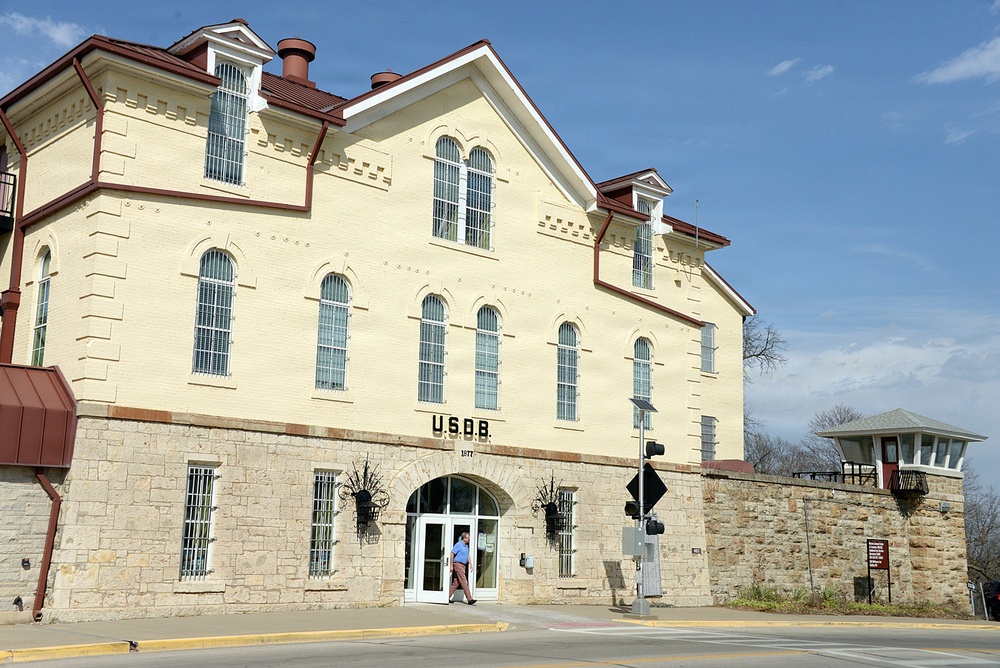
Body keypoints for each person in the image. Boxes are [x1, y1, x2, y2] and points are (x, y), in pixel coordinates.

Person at [449, 531, 477, 605]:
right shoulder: (458, 545)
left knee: (456, 583)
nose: (469, 539)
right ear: (464, 538)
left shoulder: (466, 546)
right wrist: (451, 565)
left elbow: (467, 555)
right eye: (468, 538)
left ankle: (446, 597)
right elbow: (452, 553)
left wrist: (470, 563)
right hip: (458, 564)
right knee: (464, 581)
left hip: (463, 565)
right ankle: (469, 599)